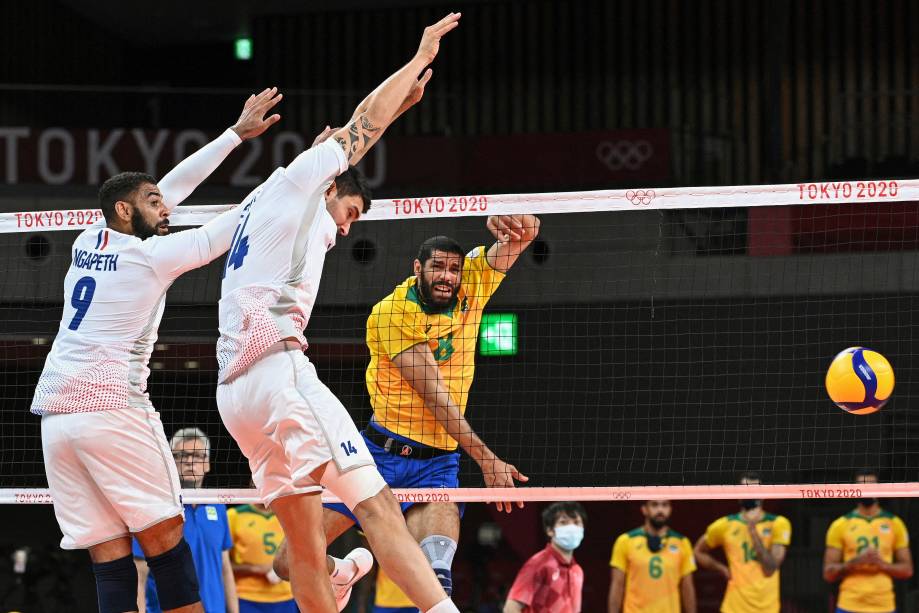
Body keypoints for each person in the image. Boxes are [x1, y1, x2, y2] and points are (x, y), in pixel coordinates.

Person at [215, 13, 464, 613]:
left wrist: (402, 105)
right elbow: (363, 123)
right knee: (375, 508)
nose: (348, 225)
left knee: (300, 550)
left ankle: (341, 568)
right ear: (326, 182)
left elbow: (365, 133)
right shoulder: (305, 186)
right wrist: (417, 58)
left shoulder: (257, 204)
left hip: (234, 395)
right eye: (350, 210)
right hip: (278, 374)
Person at [31, 89, 281, 613]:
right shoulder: (151, 257)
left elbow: (171, 188)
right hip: (110, 407)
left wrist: (235, 136)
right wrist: (297, 177)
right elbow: (227, 229)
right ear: (125, 210)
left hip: (54, 418)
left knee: (108, 552)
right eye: (152, 204)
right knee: (167, 537)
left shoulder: (88, 238)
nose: (165, 209)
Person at [133, 428, 238, 613]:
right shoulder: (156, 509)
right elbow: (139, 576)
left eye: (198, 456)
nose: (190, 461)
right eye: (182, 455)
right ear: (171, 462)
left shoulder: (219, 507)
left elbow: (225, 569)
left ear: (207, 464)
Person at [693, 472, 791, 613]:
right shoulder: (725, 525)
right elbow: (698, 551)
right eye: (745, 489)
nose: (750, 494)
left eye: (754, 490)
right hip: (734, 607)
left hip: (767, 608)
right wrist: (722, 569)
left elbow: (770, 568)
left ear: (763, 494)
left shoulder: (778, 524)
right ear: (738, 494)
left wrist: (752, 530)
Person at [823, 468, 913, 613]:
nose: (866, 490)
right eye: (862, 486)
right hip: (849, 605)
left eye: (871, 486)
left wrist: (882, 564)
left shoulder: (895, 523)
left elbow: (907, 570)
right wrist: (856, 562)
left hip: (884, 606)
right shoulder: (840, 525)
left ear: (879, 488)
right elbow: (828, 573)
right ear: (854, 489)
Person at [608, 500, 696, 613]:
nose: (660, 510)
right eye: (654, 505)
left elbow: (687, 588)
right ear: (644, 509)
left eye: (665, 505)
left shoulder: (682, 543)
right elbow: (617, 586)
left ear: (670, 509)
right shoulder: (625, 541)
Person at [503, 502, 586, 613]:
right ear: (550, 530)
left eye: (577, 522)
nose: (571, 528)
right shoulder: (538, 564)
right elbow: (510, 609)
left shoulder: (577, 571)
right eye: (563, 522)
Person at [227, 491, 296, 613]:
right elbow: (222, 565)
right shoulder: (234, 516)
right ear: (253, 485)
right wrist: (255, 569)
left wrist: (285, 567)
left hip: (285, 598)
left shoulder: (291, 516)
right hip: (246, 597)